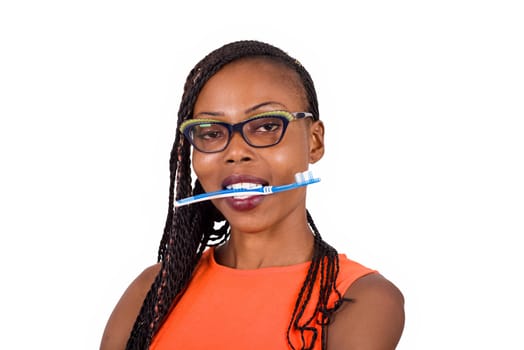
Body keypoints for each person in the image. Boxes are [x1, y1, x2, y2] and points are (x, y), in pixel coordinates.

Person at [100, 40, 405, 350]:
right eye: (211, 132)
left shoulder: (360, 299)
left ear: (314, 142)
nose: (235, 152)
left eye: (266, 126)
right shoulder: (151, 291)